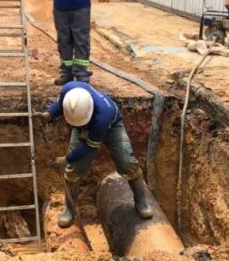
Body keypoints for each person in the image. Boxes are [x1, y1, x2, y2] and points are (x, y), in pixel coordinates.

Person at [36, 81, 153, 228]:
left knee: (127, 162)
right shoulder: (70, 90)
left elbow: (89, 148)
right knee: (74, 169)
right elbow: (60, 104)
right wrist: (49, 114)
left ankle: (141, 200)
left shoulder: (102, 117)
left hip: (112, 127)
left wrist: (66, 159)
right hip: (83, 127)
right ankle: (69, 209)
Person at [21, 0, 105, 85]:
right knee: (63, 41)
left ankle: (82, 74)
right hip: (60, 8)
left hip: (81, 6)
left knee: (81, 40)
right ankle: (66, 73)